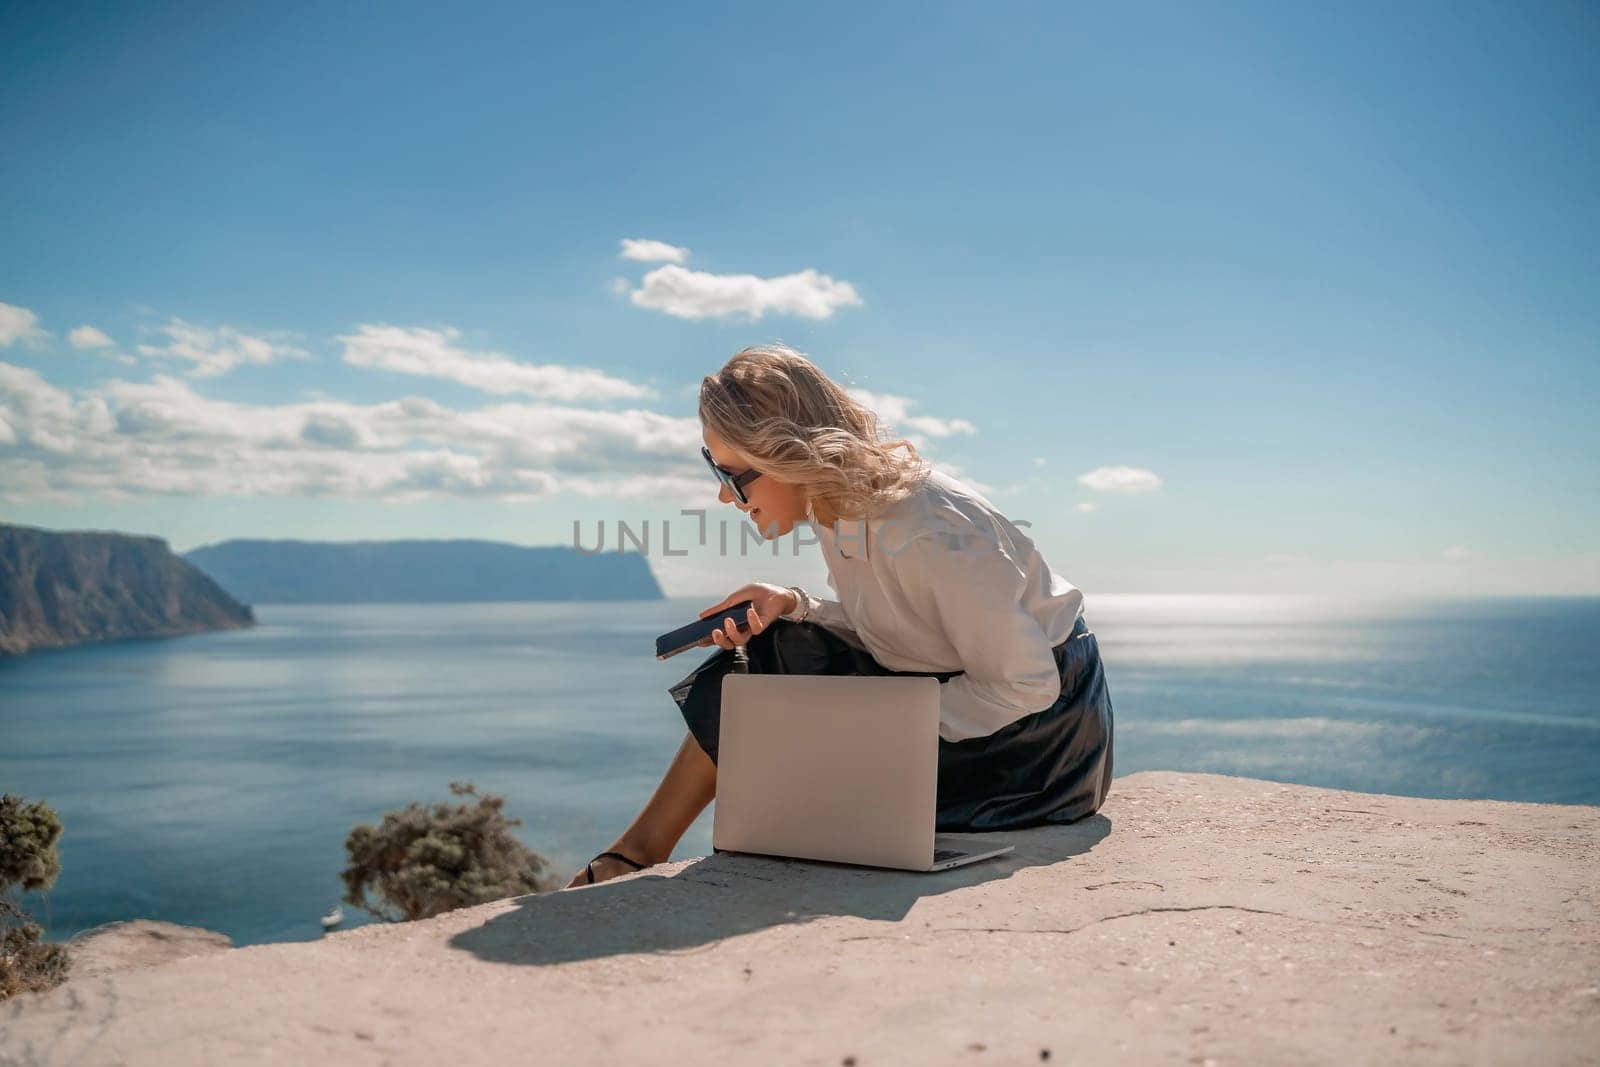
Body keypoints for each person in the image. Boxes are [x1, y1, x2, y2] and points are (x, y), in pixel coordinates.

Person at [564, 343, 1114, 888]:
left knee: (796, 725)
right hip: (966, 690)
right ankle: (639, 851)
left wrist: (865, 722)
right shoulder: (840, 504)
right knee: (768, 647)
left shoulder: (933, 529)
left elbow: (1025, 685)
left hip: (1039, 747)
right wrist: (794, 603)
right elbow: (905, 628)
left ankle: (659, 853)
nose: (724, 498)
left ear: (786, 453)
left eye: (734, 476)